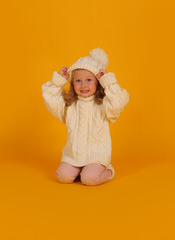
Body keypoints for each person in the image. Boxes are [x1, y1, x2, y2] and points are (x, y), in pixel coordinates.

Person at [41, 47, 129, 186]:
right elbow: (52, 102)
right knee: (62, 176)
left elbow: (118, 103)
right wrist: (58, 82)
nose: (83, 85)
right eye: (78, 81)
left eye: (88, 80)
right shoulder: (70, 105)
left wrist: (108, 82)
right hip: (73, 155)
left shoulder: (103, 105)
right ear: (72, 83)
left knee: (89, 179)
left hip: (96, 156)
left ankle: (107, 170)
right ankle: (81, 170)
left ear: (97, 82)